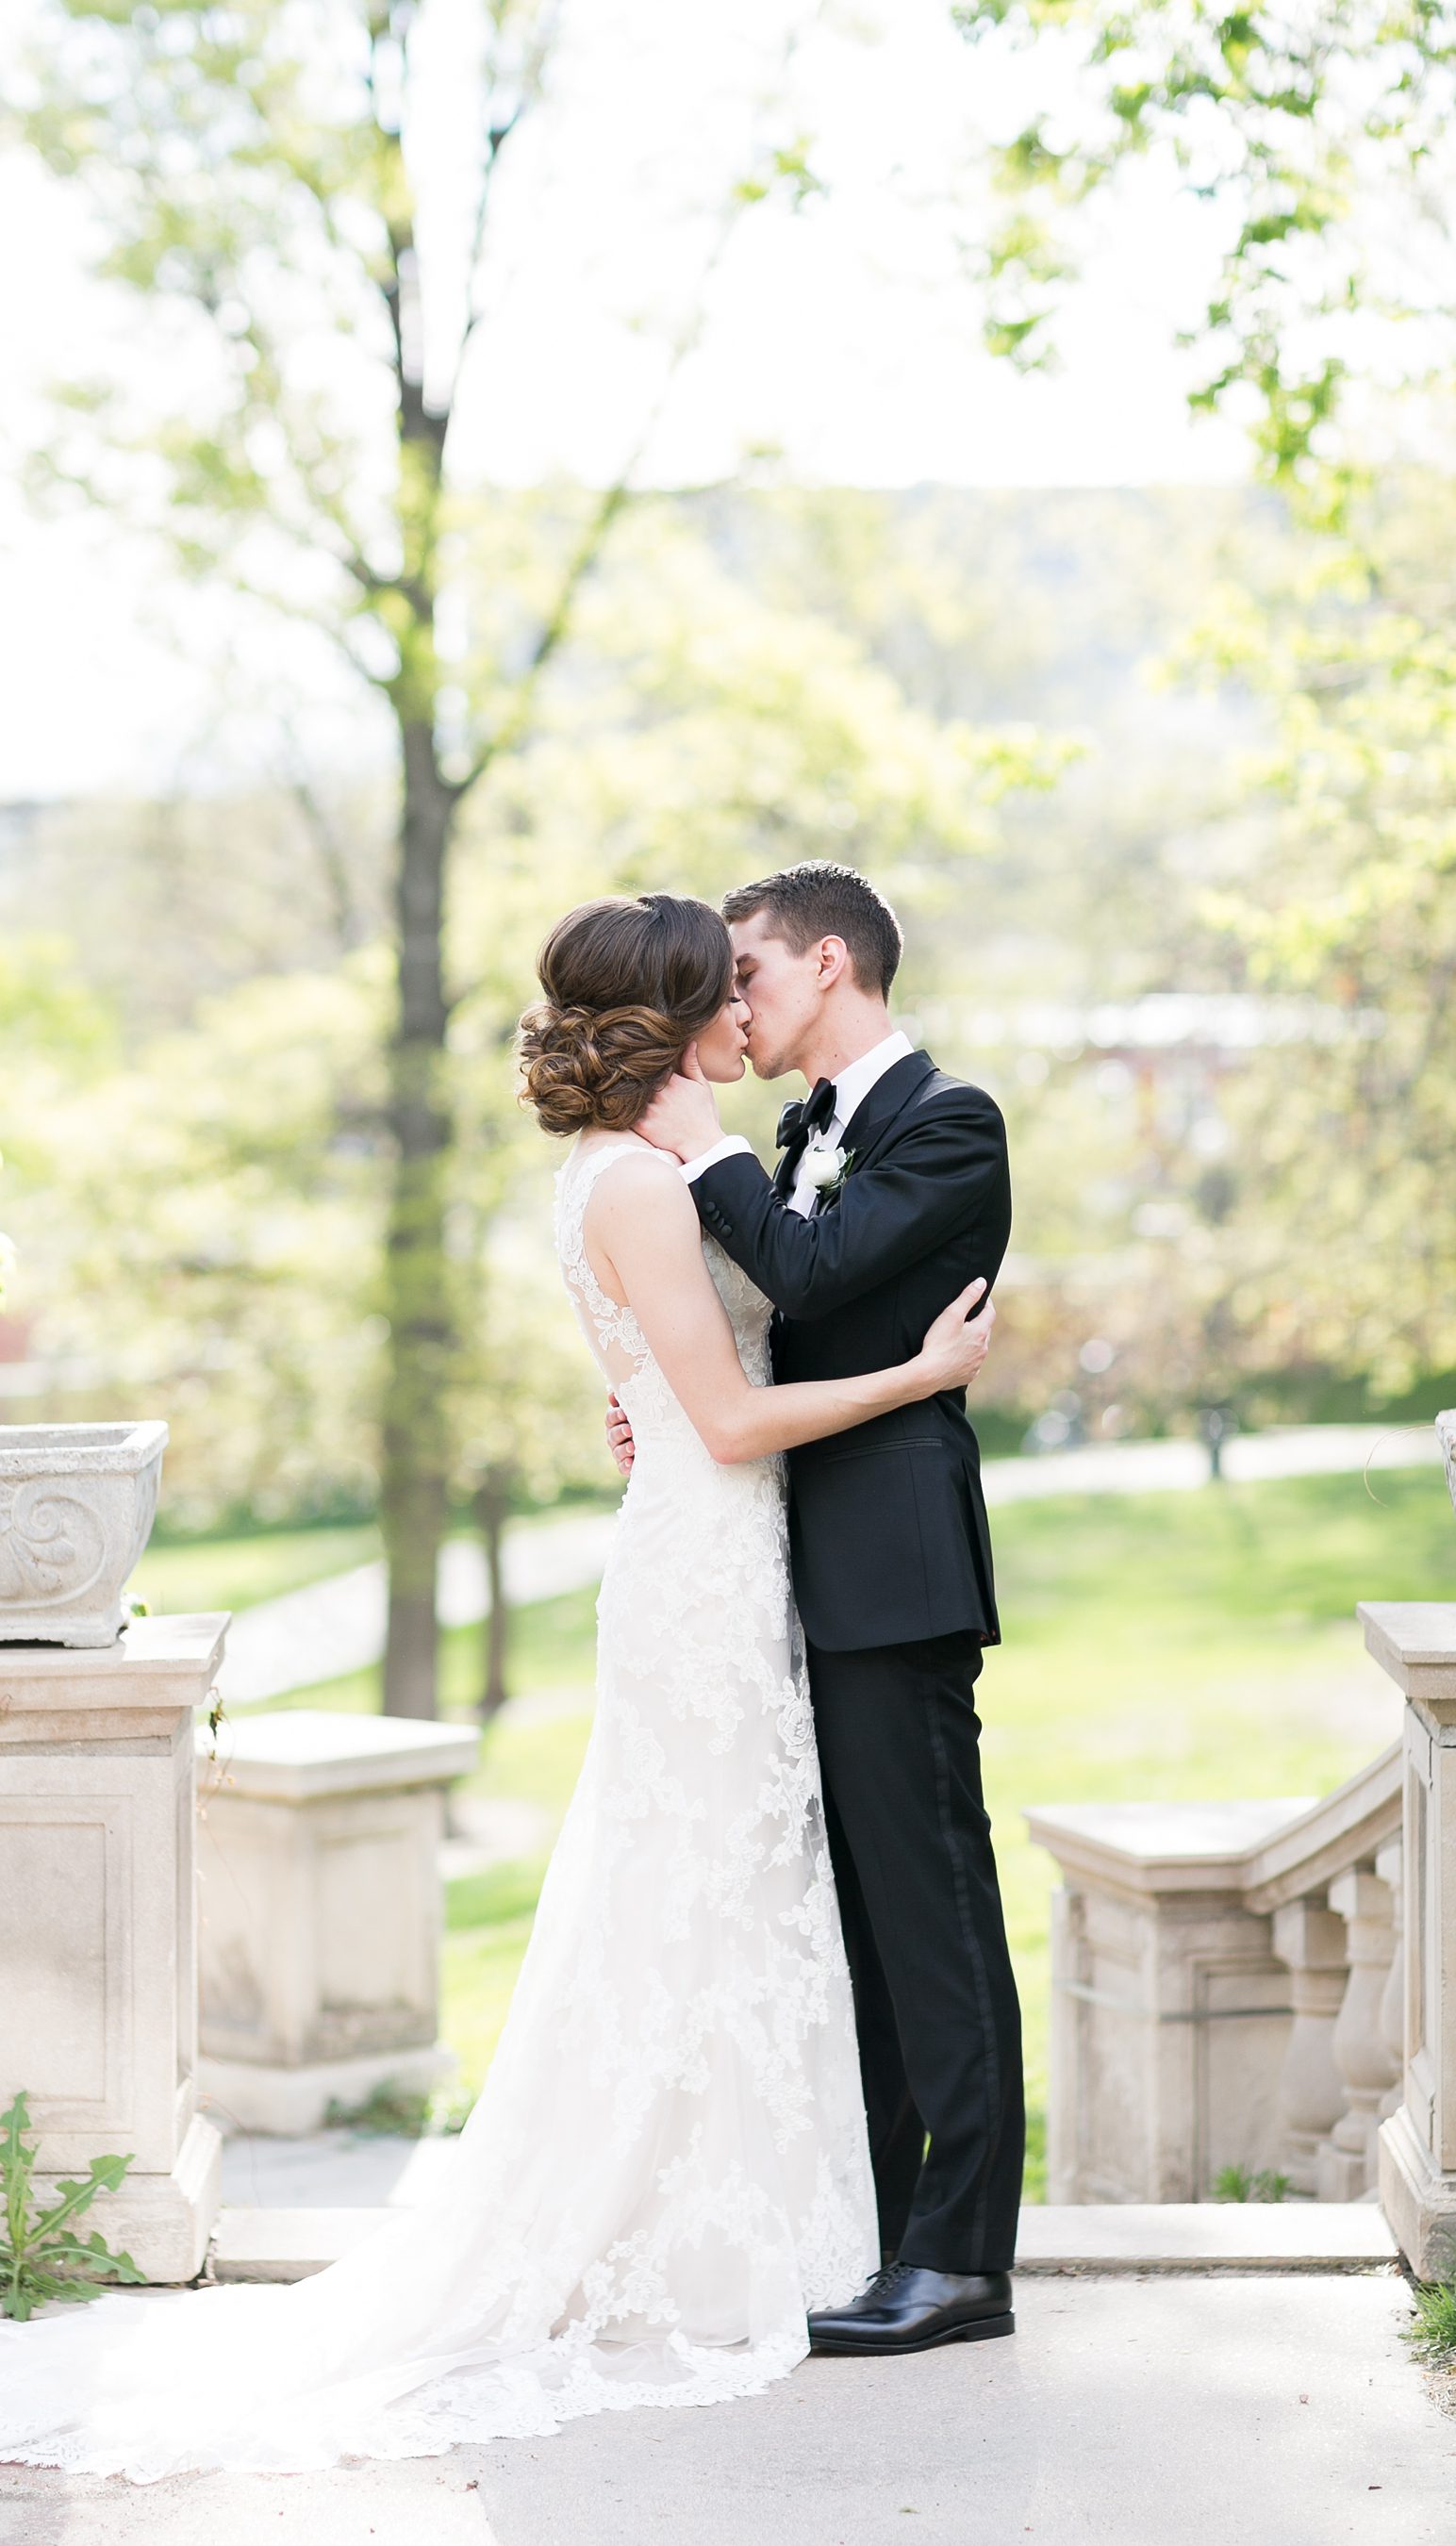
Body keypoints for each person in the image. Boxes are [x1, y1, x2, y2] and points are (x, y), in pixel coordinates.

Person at [0, 889, 994, 2480]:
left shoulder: (659, 1168)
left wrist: (667, 1403)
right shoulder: (657, 1184)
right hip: (709, 1558)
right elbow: (730, 1410)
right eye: (718, 990)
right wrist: (920, 1376)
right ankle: (723, 2238)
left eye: (754, 978)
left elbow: (724, 1353)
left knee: (735, 1900)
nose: (745, 1011)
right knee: (708, 1893)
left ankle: (805, 2224)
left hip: (727, 1557)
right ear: (671, 1022)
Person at [622, 859, 1024, 2358]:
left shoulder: (949, 1123)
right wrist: (670, 1414)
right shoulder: (806, 1135)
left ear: (834, 963)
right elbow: (779, 1326)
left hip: (895, 1581)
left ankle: (964, 2263)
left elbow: (817, 1262)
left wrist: (704, 1150)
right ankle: (880, 2233)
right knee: (853, 1929)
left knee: (935, 1923)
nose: (734, 1001)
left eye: (750, 973)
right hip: (790, 1571)